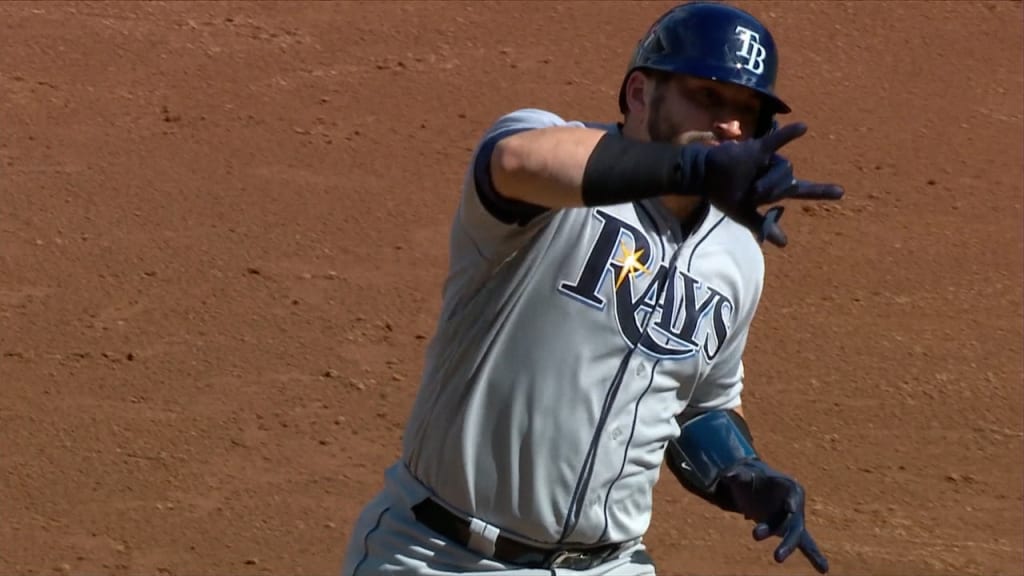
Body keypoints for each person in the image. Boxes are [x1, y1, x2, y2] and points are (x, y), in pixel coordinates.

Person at [341, 2, 843, 575]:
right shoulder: (552, 166)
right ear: (637, 94)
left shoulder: (738, 255)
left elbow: (701, 404)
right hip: (443, 554)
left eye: (746, 112)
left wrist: (744, 474)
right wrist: (690, 169)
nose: (729, 125)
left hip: (610, 565)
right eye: (707, 96)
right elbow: (511, 163)